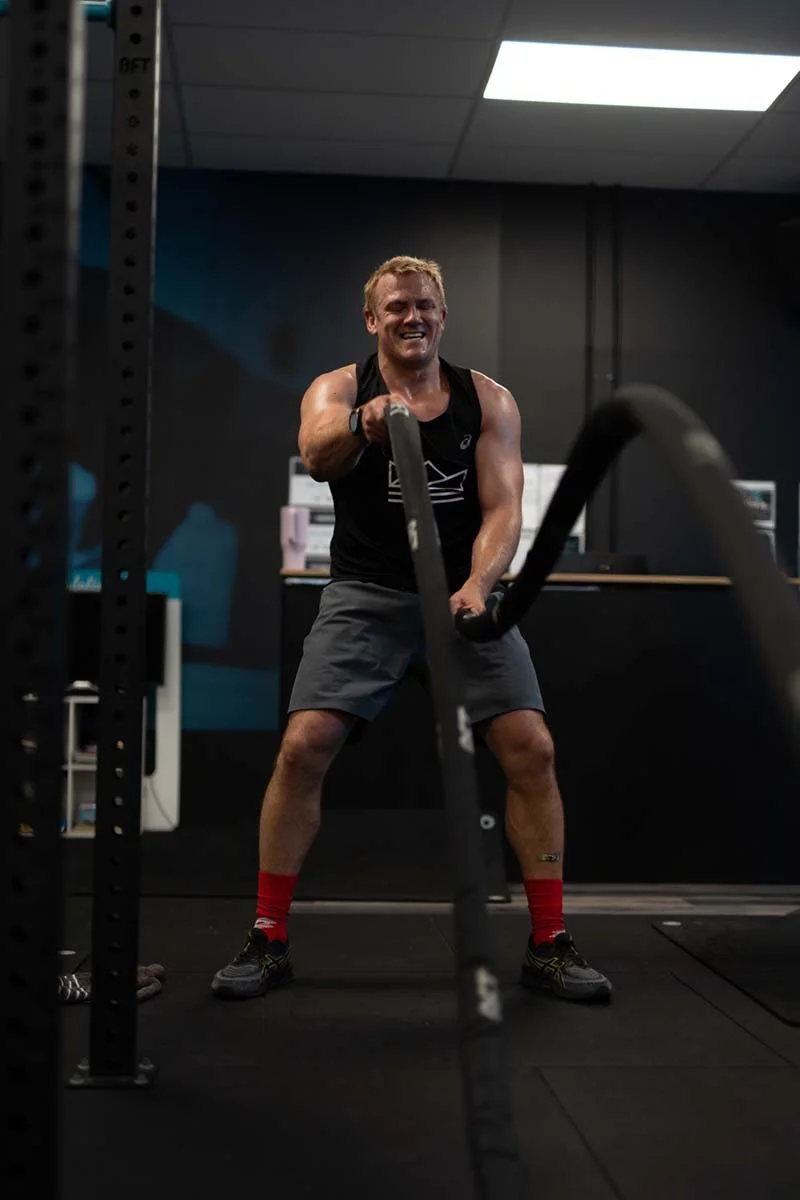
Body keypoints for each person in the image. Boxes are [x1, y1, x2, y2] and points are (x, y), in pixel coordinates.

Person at [211, 255, 612, 1004]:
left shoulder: (488, 401)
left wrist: (478, 586)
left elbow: (503, 509)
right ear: (372, 320)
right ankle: (267, 937)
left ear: (442, 316)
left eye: (424, 305)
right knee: (303, 747)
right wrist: (363, 423)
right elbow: (317, 453)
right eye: (396, 307)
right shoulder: (338, 387)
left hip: (461, 595)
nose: (412, 317)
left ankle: (550, 942)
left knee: (533, 748)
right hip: (365, 594)